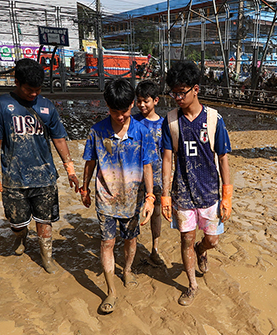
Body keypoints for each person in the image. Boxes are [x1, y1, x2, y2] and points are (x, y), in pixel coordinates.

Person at [0, 58, 80, 273]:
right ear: (17, 82)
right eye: (29, 89)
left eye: (38, 89)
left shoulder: (46, 106)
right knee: (17, 221)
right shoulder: (1, 105)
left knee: (45, 221)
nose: (34, 94)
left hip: (44, 176)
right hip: (14, 177)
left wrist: (70, 169)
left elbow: (58, 138)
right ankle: (21, 236)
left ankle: (47, 257)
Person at [80, 79, 156, 314]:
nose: (120, 117)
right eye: (115, 111)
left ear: (132, 104)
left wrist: (150, 196)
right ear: (107, 106)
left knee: (131, 239)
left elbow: (147, 166)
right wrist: (84, 188)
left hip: (133, 199)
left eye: (124, 111)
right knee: (107, 242)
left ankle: (127, 270)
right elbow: (90, 162)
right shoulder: (97, 131)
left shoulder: (142, 133)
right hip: (106, 198)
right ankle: (111, 290)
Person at [160, 60, 232, 306]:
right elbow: (167, 160)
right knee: (186, 239)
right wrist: (165, 195)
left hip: (210, 193)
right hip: (183, 194)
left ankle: (202, 251)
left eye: (182, 92)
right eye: (174, 93)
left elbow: (223, 158)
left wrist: (227, 196)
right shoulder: (171, 121)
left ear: (196, 89)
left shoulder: (213, 120)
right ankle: (192, 285)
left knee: (212, 240)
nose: (177, 98)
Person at [133, 80, 165, 266]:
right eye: (139, 101)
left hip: (157, 177)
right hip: (135, 177)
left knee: (156, 213)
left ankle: (155, 249)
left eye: (146, 101)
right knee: (134, 212)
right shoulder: (132, 121)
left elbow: (166, 155)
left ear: (156, 100)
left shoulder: (163, 125)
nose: (142, 105)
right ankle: (133, 246)